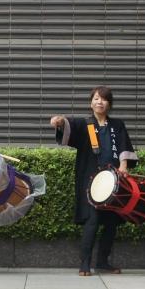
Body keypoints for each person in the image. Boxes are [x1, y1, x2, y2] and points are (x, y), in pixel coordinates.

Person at [50, 86, 137, 276]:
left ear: (109, 103)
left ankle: (103, 262)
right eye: (96, 98)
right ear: (91, 103)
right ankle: (85, 263)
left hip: (114, 181)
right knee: (93, 220)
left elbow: (124, 147)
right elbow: (68, 125)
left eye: (103, 99)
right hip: (91, 181)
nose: (99, 102)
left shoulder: (117, 125)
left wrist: (123, 166)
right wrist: (60, 122)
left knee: (112, 222)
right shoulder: (85, 124)